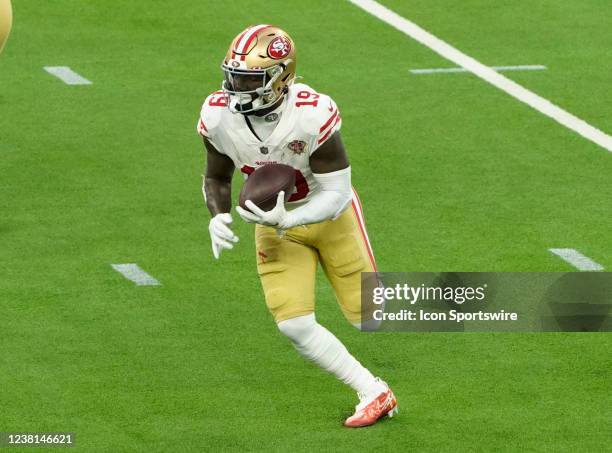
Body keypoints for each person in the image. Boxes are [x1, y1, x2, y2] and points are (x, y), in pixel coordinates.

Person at [197, 25, 397, 427]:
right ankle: (373, 390)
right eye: (233, 76)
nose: (235, 88)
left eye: (249, 79)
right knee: (293, 323)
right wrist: (217, 215)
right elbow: (217, 177)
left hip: (329, 216)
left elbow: (337, 193)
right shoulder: (217, 114)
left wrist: (291, 218)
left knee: (370, 317)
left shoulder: (311, 114)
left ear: (281, 75)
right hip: (272, 224)